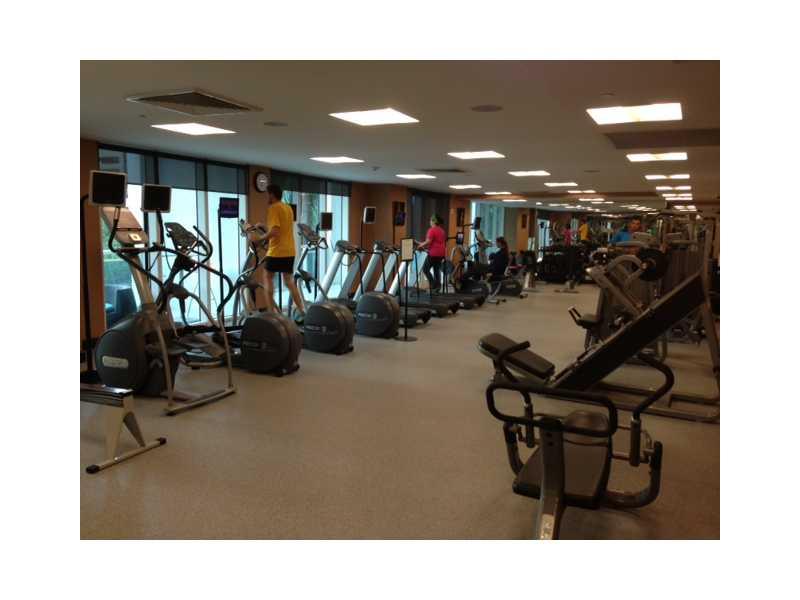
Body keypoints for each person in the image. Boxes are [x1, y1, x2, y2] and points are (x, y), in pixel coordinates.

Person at [262, 184, 306, 322]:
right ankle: (302, 310)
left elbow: (275, 231)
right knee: (289, 281)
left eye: (267, 194)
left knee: (267, 277)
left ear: (271, 194)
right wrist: (263, 228)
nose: (266, 197)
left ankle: (271, 313)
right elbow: (280, 229)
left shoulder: (273, 208)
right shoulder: (287, 208)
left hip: (276, 251)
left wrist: (260, 238)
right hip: (289, 251)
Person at [417, 214, 447, 292]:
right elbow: (436, 242)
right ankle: (438, 286)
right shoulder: (442, 231)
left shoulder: (432, 230)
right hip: (441, 253)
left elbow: (428, 241)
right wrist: (422, 244)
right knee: (436, 269)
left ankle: (433, 284)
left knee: (425, 269)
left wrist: (420, 246)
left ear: (434, 221)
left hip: (434, 253)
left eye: (431, 220)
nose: (430, 222)